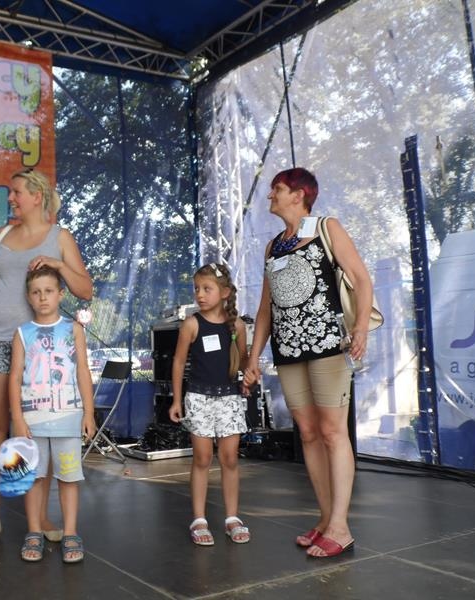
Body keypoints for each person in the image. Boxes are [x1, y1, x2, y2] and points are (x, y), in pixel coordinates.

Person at [0, 168, 92, 549]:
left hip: (37, 348)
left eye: (16, 192)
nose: (10, 198)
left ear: (37, 196)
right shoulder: (1, 235)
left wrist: (59, 265)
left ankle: (41, 516)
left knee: (33, 432)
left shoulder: (59, 236)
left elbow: (85, 289)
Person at [243, 167, 374, 558]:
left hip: (328, 346)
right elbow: (264, 309)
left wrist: (361, 328)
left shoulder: (326, 227)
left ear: (299, 194)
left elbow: (361, 279)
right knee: (308, 433)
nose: (271, 195)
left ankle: (341, 527)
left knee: (333, 431)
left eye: (277, 189)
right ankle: (325, 519)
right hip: (288, 352)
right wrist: (253, 357)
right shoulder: (273, 246)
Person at [9, 266, 96, 563]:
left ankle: (70, 532)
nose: (42, 297)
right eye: (36, 292)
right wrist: (18, 418)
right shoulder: (22, 333)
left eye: (48, 291)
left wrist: (88, 412)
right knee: (33, 478)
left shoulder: (73, 329)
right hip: (31, 422)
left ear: (60, 294)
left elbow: (82, 371)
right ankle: (34, 531)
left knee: (68, 478)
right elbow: (14, 377)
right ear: (28, 297)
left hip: (68, 419)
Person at [169, 263, 250, 546]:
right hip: (199, 398)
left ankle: (232, 518)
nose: (200, 295)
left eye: (207, 289)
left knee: (230, 458)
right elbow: (179, 362)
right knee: (202, 458)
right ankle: (199, 519)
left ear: (225, 292)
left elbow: (243, 359)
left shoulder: (237, 326)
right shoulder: (191, 324)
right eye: (197, 289)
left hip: (229, 398)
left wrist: (249, 374)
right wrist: (177, 399)